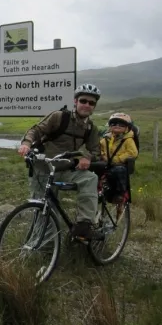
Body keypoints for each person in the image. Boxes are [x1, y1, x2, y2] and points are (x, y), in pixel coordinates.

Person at [17, 83, 103, 240]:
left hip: (65, 170)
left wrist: (87, 158)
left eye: (91, 103)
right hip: (43, 169)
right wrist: (26, 144)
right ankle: (44, 250)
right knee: (46, 213)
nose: (87, 105)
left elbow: (96, 151)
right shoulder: (59, 117)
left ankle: (83, 225)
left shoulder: (90, 128)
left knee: (90, 178)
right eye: (83, 101)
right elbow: (36, 130)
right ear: (75, 101)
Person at [99, 112, 138, 206]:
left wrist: (117, 159)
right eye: (113, 124)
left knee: (119, 170)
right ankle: (97, 192)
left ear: (127, 127)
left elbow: (132, 153)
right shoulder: (105, 139)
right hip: (106, 164)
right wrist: (103, 156)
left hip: (120, 165)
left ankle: (120, 194)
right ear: (109, 126)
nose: (117, 126)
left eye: (121, 124)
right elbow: (99, 149)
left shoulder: (128, 140)